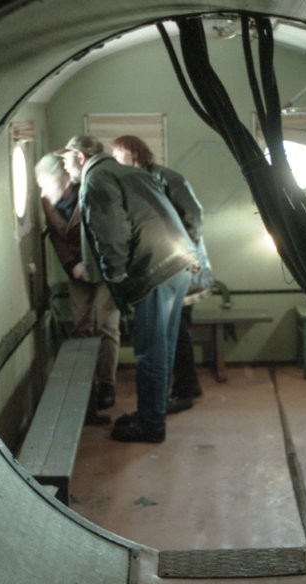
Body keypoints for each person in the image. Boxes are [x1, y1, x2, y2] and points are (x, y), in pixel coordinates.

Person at [56, 135, 197, 443]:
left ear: (80, 157)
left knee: (150, 352)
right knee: (164, 347)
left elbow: (112, 235)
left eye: (66, 160)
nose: (64, 168)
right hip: (180, 264)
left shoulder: (95, 180)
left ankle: (151, 425)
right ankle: (153, 412)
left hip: (155, 270)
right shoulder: (130, 172)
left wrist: (117, 281)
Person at [110, 135, 213, 415]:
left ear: (134, 154)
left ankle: (184, 389)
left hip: (181, 265)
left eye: (118, 155)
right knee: (174, 331)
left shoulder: (167, 178)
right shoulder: (140, 180)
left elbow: (194, 215)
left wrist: (184, 252)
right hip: (171, 265)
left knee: (177, 331)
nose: (115, 161)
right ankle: (186, 386)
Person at [34, 153, 119, 421]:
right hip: (76, 270)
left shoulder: (90, 191)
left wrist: (95, 263)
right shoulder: (47, 201)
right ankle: (86, 387)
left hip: (103, 267)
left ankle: (107, 384)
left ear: (64, 181)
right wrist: (72, 265)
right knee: (80, 327)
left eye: (47, 184)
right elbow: (57, 238)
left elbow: (109, 230)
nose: (43, 191)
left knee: (106, 325)